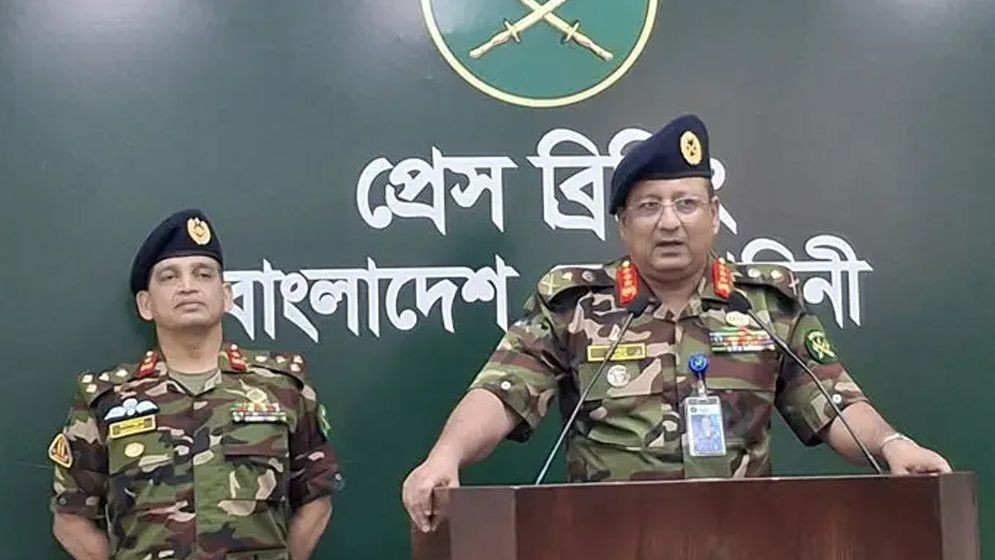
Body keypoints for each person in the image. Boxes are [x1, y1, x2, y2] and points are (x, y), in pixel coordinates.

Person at [401, 114, 951, 532]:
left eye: (686, 203)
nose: (669, 222)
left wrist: (893, 446)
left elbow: (834, 403)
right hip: (604, 540)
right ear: (623, 224)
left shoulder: (765, 304)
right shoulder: (573, 304)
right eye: (649, 206)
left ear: (714, 214)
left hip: (745, 539)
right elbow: (501, 393)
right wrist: (445, 456)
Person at [49, 209, 343, 559]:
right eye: (169, 277)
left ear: (226, 295)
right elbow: (71, 517)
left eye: (203, 274)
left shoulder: (283, 387)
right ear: (146, 304)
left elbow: (316, 495)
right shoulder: (105, 399)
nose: (188, 286)